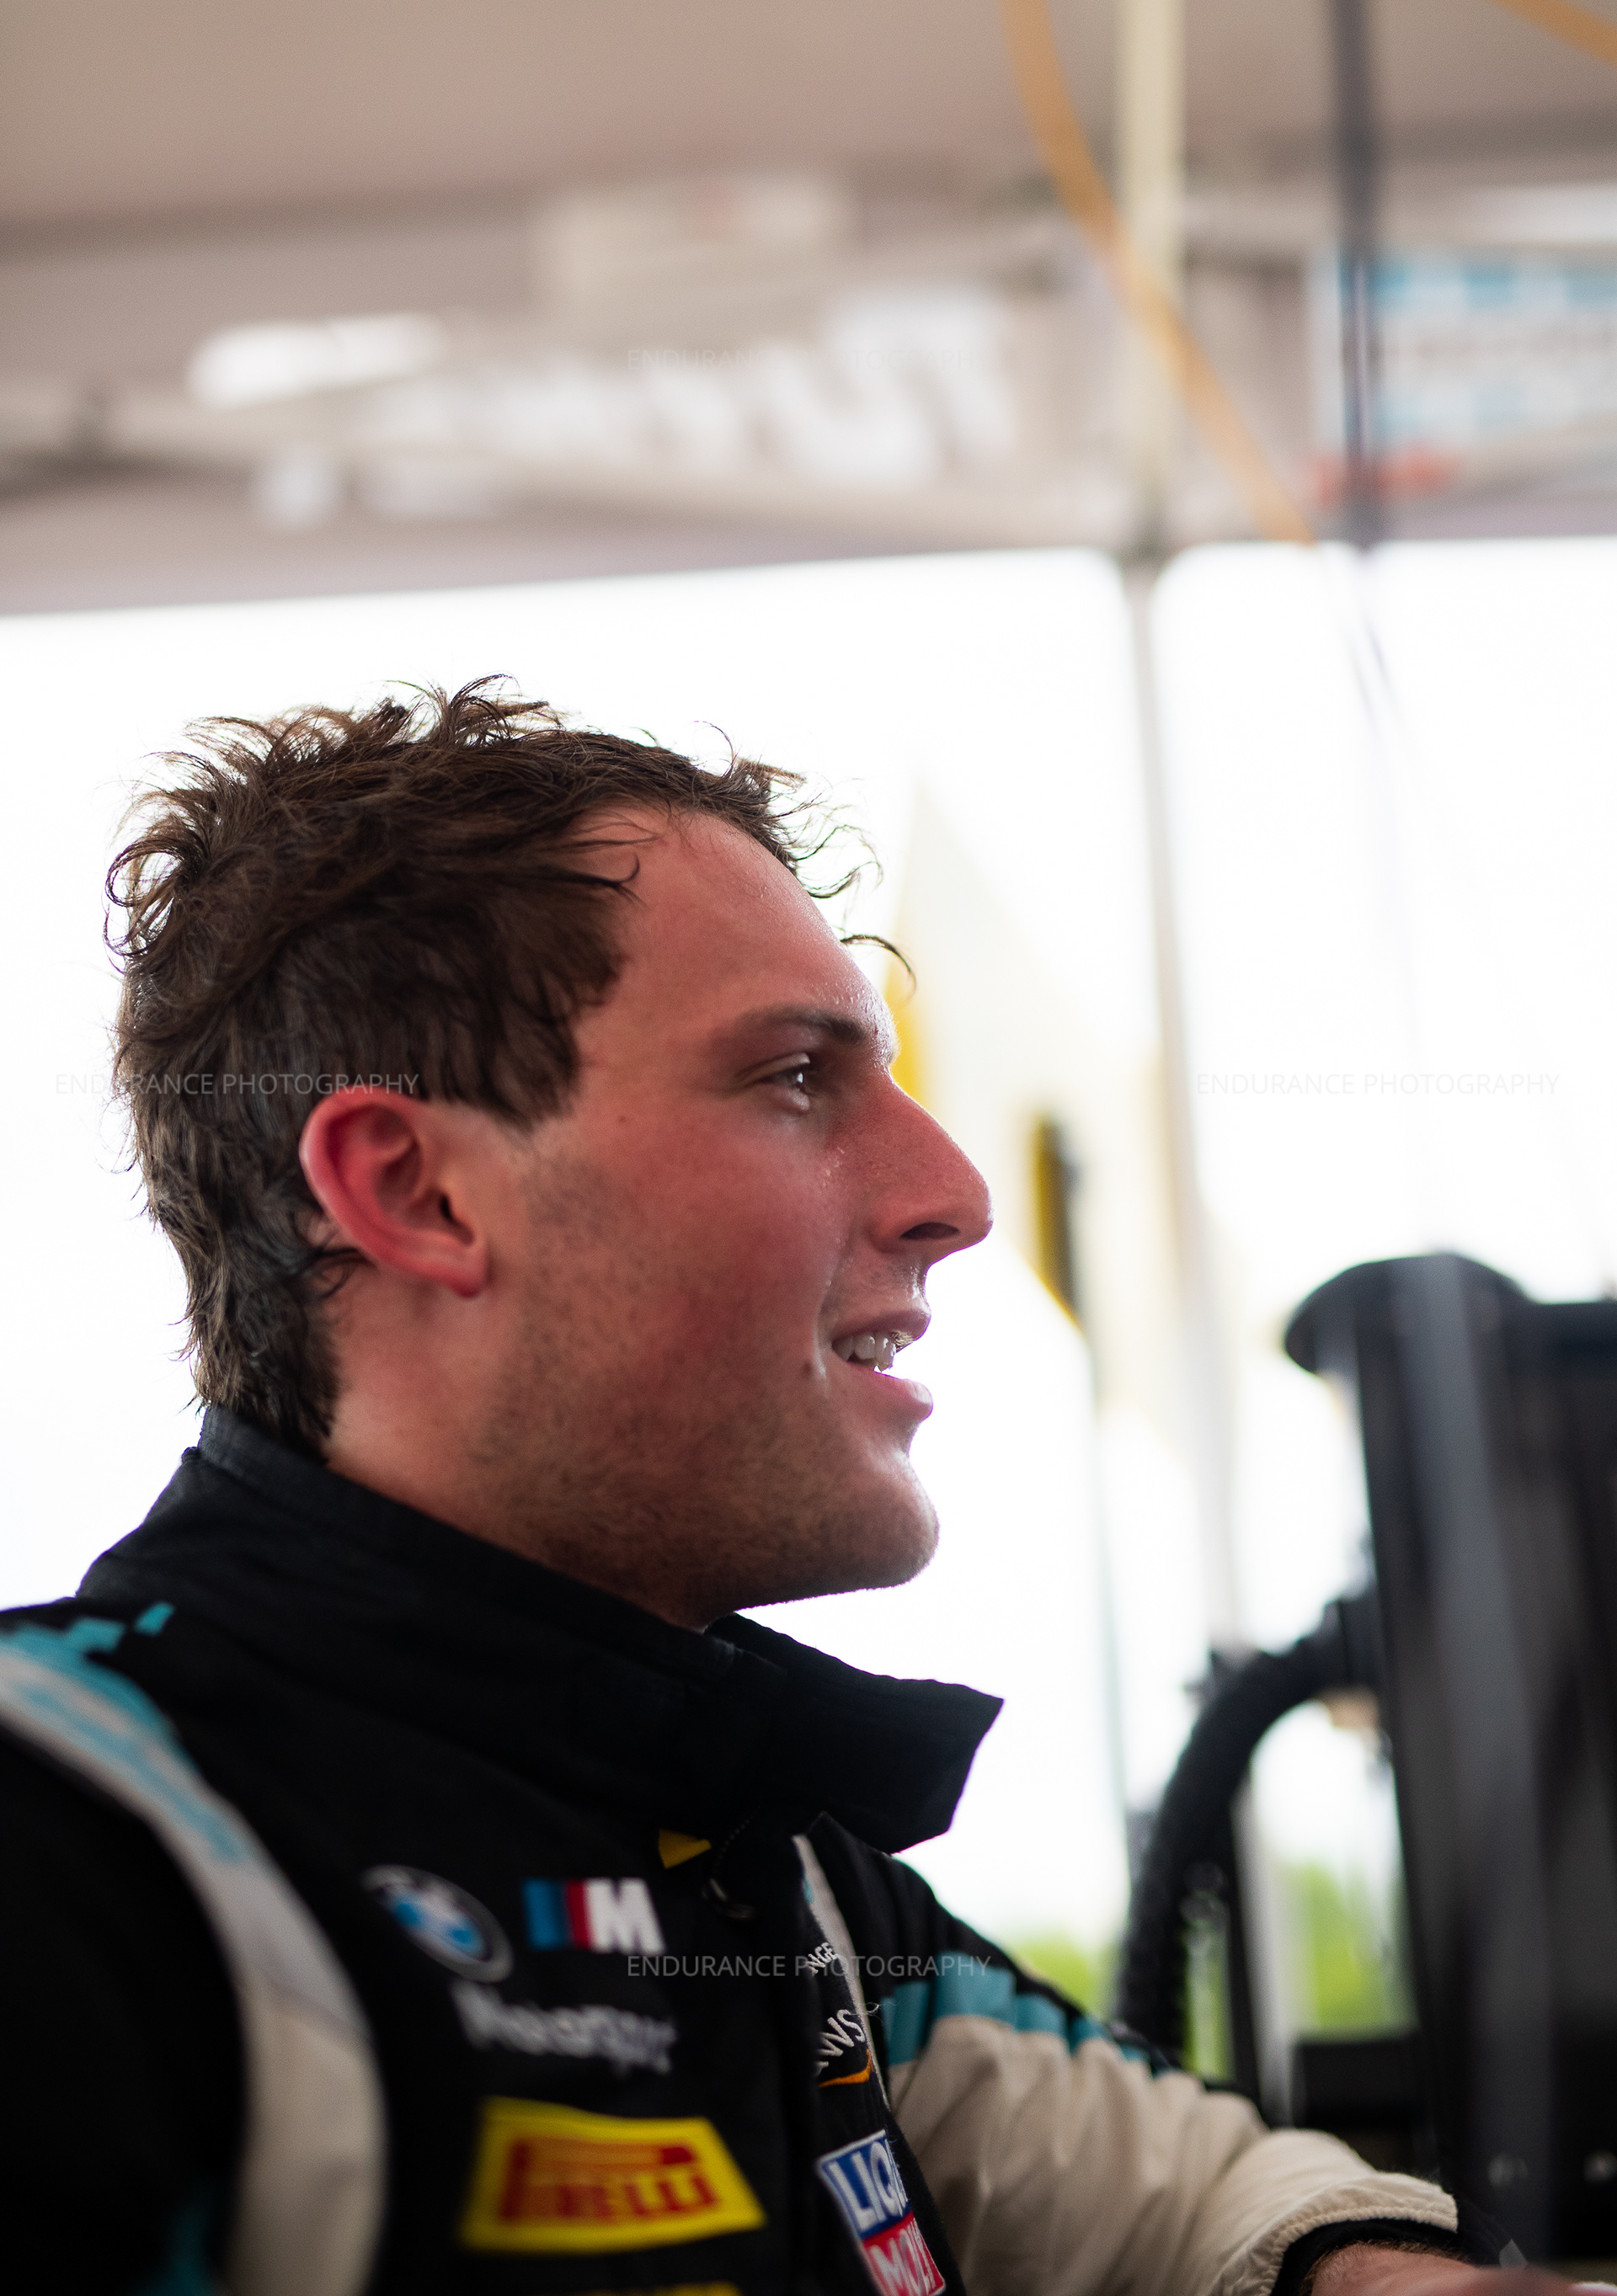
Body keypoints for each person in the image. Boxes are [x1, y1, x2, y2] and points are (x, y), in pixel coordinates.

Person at [0, 685, 1565, 2296]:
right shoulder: (76, 1844)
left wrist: (1385, 2275)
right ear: (420, 1192)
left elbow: (1191, 2198)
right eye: (794, 1078)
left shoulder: (778, 1875)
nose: (955, 1194)